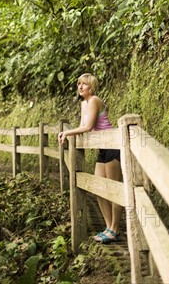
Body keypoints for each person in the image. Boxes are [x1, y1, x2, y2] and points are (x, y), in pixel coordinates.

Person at [57, 73, 123, 243]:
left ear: (91, 87)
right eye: (79, 83)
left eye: (84, 84)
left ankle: (115, 229)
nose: (80, 86)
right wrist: (69, 133)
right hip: (103, 147)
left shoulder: (94, 100)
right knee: (98, 190)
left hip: (112, 146)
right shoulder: (84, 104)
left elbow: (88, 127)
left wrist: (66, 132)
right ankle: (108, 227)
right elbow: (81, 125)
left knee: (113, 190)